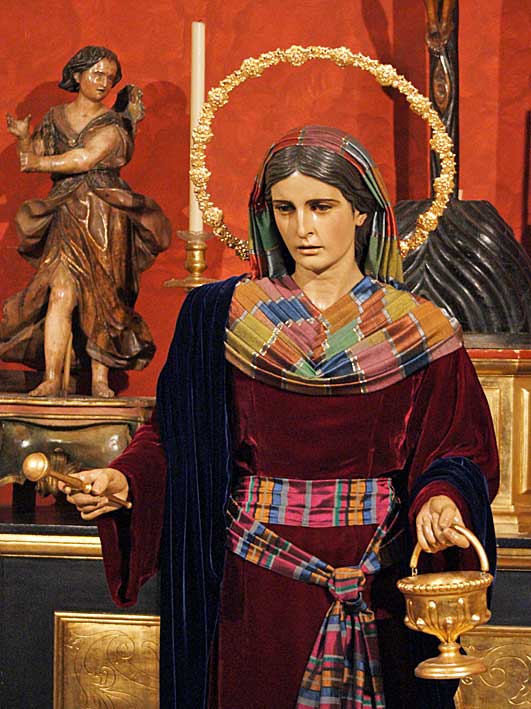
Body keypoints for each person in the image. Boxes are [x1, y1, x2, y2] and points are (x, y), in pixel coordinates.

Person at [61, 126, 498, 708]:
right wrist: (126, 480)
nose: (303, 228)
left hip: (380, 576)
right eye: (285, 209)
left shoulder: (420, 327)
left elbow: (458, 446)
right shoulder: (217, 316)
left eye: (322, 206)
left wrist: (443, 497)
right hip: (255, 582)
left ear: (362, 211)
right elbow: (172, 437)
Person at [2, 46, 171, 397]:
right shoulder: (54, 117)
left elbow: (84, 158)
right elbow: (32, 157)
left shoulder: (113, 124)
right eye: (97, 74)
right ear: (77, 75)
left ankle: (99, 380)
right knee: (60, 293)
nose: (103, 83)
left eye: (110, 77)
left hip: (104, 215)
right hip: (66, 212)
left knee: (102, 298)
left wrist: (35, 162)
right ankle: (52, 377)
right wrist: (23, 139)